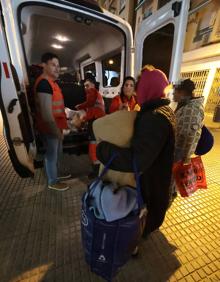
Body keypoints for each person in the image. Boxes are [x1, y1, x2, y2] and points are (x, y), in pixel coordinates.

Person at [96, 67, 175, 241]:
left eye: (139, 87)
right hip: (155, 180)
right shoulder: (164, 111)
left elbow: (137, 160)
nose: (137, 92)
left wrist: (103, 150)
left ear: (147, 89)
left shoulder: (154, 118)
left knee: (140, 223)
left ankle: (133, 246)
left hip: (150, 185)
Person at [34, 52, 70, 191]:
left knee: (56, 153)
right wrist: (57, 132)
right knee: (51, 155)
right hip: (50, 128)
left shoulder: (51, 83)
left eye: (58, 65)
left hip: (57, 126)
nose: (57, 68)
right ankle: (53, 181)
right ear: (44, 65)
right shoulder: (44, 84)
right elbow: (46, 115)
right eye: (53, 65)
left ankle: (57, 174)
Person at [75, 75, 105, 178]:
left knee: (93, 147)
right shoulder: (97, 94)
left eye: (87, 85)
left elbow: (90, 105)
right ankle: (98, 170)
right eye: (84, 86)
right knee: (96, 146)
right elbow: (91, 108)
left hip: (95, 122)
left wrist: (80, 108)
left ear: (93, 84)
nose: (85, 88)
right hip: (98, 122)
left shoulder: (92, 92)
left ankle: (96, 172)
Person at [173, 79, 204, 163]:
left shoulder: (191, 110)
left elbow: (188, 138)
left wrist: (179, 161)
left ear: (182, 93)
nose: (173, 94)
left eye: (175, 91)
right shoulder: (185, 106)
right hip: (177, 158)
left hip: (179, 160)